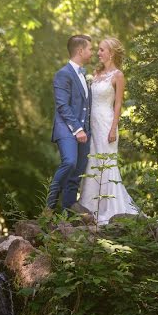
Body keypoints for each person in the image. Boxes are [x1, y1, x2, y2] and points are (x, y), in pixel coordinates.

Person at [78, 37, 140, 224]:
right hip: (92, 125)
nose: (98, 53)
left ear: (111, 53)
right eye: (97, 49)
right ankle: (89, 207)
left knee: (106, 163)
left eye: (102, 50)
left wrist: (113, 128)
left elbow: (118, 104)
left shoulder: (118, 75)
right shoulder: (96, 74)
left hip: (106, 124)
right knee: (93, 161)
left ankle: (109, 209)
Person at [47, 35, 93, 214]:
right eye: (90, 49)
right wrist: (78, 129)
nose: (92, 52)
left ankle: (68, 208)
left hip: (84, 131)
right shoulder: (63, 74)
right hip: (66, 128)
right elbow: (62, 105)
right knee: (70, 162)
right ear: (80, 51)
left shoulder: (84, 74)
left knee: (77, 172)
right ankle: (49, 206)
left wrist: (87, 130)